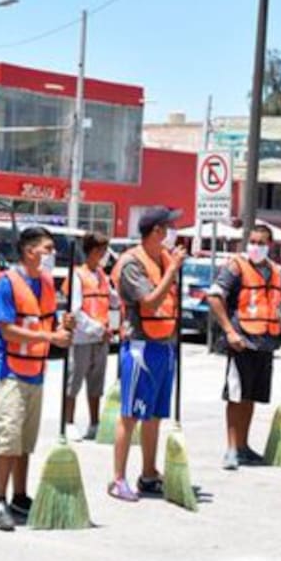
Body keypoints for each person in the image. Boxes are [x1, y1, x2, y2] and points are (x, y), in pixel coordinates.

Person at [0, 227, 73, 530]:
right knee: (9, 437)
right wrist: (50, 337)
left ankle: (20, 496)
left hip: (36, 370)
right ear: (29, 251)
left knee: (25, 441)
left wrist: (64, 325)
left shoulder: (46, 282)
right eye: (47, 248)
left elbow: (50, 321)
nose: (52, 254)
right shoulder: (7, 283)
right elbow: (7, 329)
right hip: (10, 370)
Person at [107, 207, 185, 502]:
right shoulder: (132, 263)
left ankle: (149, 473)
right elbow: (149, 302)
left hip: (164, 345)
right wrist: (173, 271)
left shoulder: (164, 259)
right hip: (140, 347)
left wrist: (172, 267)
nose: (173, 232)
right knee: (130, 415)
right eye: (169, 227)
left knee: (154, 415)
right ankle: (118, 479)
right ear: (156, 231)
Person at [206, 224, 281, 470]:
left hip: (265, 342)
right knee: (236, 396)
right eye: (253, 242)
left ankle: (243, 446)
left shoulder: (277, 272)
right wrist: (229, 331)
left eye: (261, 243)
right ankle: (231, 449)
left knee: (251, 397)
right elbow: (214, 296)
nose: (256, 246)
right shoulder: (236, 267)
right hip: (242, 341)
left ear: (270, 245)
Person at [66, 231, 117, 440]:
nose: (106, 255)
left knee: (96, 384)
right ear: (94, 251)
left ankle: (94, 424)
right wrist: (98, 329)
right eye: (104, 250)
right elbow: (75, 311)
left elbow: (113, 301)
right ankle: (69, 422)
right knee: (74, 381)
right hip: (82, 337)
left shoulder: (103, 275)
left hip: (101, 338)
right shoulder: (77, 276)